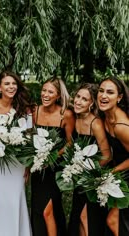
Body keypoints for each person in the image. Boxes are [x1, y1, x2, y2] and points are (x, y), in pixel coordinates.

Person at [0, 70, 33, 236]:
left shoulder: (24, 107)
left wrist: (28, 164)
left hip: (17, 160)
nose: (11, 87)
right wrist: (1, 138)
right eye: (7, 84)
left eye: (14, 83)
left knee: (15, 197)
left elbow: (29, 136)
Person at [31, 77, 75, 236]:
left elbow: (70, 143)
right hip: (38, 167)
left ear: (58, 95)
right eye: (44, 90)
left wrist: (53, 156)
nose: (45, 94)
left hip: (54, 169)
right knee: (38, 209)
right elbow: (30, 138)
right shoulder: (34, 111)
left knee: (47, 211)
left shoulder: (66, 115)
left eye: (50, 92)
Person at [68, 83, 111, 236]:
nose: (78, 101)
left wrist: (88, 172)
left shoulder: (96, 124)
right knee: (78, 216)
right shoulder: (75, 118)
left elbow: (107, 155)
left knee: (86, 217)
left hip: (93, 179)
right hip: (79, 179)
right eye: (78, 97)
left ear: (91, 103)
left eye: (84, 99)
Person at [97, 76, 129, 236]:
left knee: (114, 221)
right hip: (120, 174)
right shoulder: (105, 117)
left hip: (125, 174)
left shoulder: (122, 126)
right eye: (101, 91)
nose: (103, 96)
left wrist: (112, 171)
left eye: (110, 92)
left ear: (119, 97)